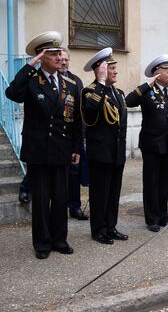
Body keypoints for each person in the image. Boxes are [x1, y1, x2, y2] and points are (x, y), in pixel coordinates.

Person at [5, 31, 81, 259]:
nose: (60, 58)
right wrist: (31, 66)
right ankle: (42, 243)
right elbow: (11, 93)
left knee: (60, 198)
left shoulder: (69, 84)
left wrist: (76, 147)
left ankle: (59, 239)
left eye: (60, 53)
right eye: (54, 54)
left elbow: (77, 119)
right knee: (41, 200)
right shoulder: (31, 81)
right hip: (38, 152)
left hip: (62, 150)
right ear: (41, 57)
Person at [126, 55, 168, 232]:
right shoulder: (147, 92)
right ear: (157, 73)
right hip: (152, 144)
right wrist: (147, 84)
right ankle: (152, 219)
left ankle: (164, 216)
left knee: (166, 183)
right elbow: (129, 101)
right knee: (151, 183)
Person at [81, 48, 128, 245]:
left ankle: (111, 226)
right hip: (100, 153)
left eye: (115, 68)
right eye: (111, 68)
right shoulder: (90, 92)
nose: (116, 72)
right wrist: (100, 82)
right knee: (100, 193)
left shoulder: (118, 92)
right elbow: (91, 111)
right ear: (100, 70)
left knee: (113, 192)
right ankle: (99, 229)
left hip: (116, 152)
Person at [60, 48, 89, 221]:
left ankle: (75, 207)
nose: (63, 62)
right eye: (61, 59)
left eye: (66, 60)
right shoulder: (47, 82)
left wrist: (82, 135)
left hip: (73, 136)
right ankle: (26, 189)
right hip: (54, 135)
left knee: (74, 173)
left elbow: (81, 111)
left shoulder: (75, 81)